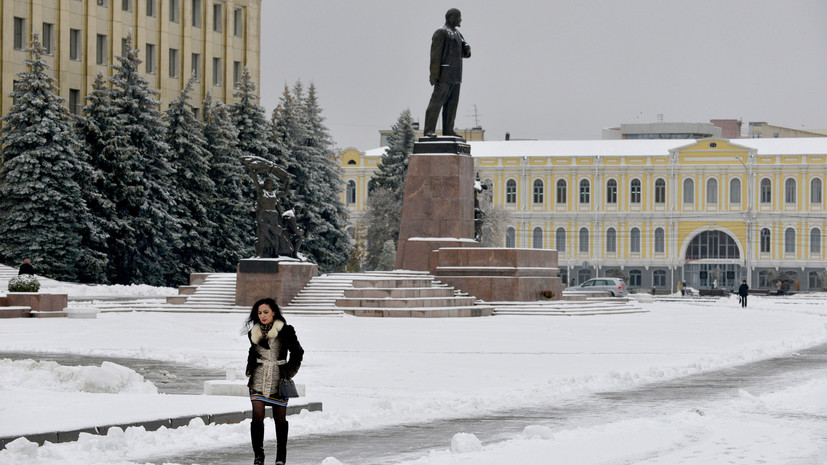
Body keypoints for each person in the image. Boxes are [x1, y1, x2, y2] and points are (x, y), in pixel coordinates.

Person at [244, 298, 304, 465]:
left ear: (274, 312)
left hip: (278, 379)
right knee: (257, 417)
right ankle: (258, 456)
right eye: (259, 313)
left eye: (266, 312)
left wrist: (288, 372)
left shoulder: (286, 331)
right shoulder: (254, 333)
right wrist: (249, 369)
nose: (262, 316)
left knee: (280, 419)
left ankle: (280, 457)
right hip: (258, 379)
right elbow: (252, 352)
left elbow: (298, 352)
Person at [423, 8, 471, 138]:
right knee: (436, 103)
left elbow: (464, 54)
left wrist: (467, 49)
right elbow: (435, 55)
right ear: (451, 18)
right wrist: (434, 75)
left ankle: (448, 130)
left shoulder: (458, 34)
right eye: (459, 17)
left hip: (456, 76)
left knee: (452, 105)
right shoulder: (441, 32)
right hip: (443, 75)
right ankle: (428, 131)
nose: (461, 20)